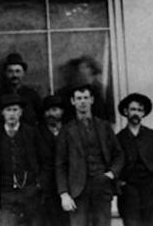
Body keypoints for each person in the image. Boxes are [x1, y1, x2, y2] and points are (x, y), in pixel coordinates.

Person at [55, 84, 123, 226]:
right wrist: (64, 194)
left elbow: (119, 154)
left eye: (86, 98)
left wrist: (111, 174)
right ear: (73, 101)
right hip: (78, 190)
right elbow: (60, 164)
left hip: (102, 187)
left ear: (92, 100)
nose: (83, 102)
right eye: (79, 98)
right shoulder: (66, 130)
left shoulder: (104, 126)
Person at [114, 93, 153, 226]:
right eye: (133, 109)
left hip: (151, 189)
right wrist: (120, 184)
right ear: (126, 111)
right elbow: (112, 164)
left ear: (143, 114)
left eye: (140, 110)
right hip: (129, 191)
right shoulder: (118, 138)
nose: (136, 113)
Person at [0, 93, 45, 226]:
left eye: (15, 110)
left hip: (30, 192)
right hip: (6, 193)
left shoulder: (32, 133)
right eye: (8, 110)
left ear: (21, 112)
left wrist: (39, 184)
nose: (12, 114)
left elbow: (45, 160)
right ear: (2, 113)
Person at [38, 94, 67, 226]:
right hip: (46, 188)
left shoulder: (69, 131)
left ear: (62, 111)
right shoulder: (37, 133)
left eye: (55, 110)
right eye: (47, 110)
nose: (51, 113)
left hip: (68, 186)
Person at [0, 53, 43, 125]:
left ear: (23, 73)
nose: (14, 75)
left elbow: (40, 118)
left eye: (18, 71)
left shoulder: (32, 95)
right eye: (10, 71)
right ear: (5, 73)